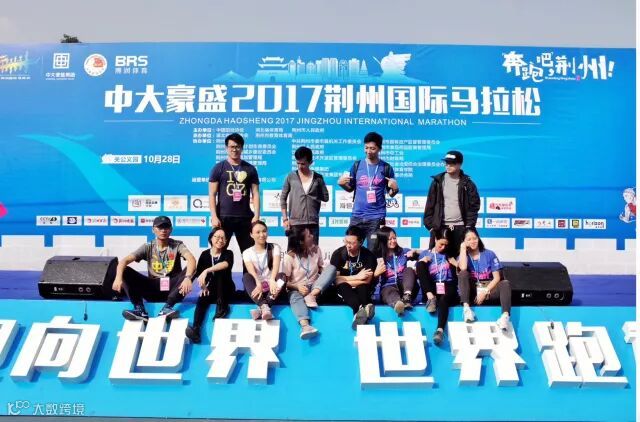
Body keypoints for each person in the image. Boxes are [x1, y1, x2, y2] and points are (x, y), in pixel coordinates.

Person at [112, 216, 196, 321]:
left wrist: (188, 278)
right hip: (153, 289)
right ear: (153, 230)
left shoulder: (177, 245)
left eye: (166, 227)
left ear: (171, 229)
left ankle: (168, 307)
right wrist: (118, 278)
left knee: (193, 268)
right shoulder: (148, 246)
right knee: (124, 270)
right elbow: (124, 261)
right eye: (160, 227)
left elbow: (191, 259)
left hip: (172, 289)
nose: (163, 230)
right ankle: (139, 309)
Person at [338, 132, 399, 250]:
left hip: (376, 218)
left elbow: (391, 193)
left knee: (373, 251)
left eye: (372, 148)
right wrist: (342, 184)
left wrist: (395, 188)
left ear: (379, 149)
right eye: (366, 148)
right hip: (357, 216)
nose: (368, 151)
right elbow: (350, 188)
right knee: (351, 249)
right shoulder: (357, 165)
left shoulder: (386, 168)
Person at [208, 132, 260, 257]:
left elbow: (255, 193)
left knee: (248, 254)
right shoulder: (218, 168)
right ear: (226, 148)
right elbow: (212, 194)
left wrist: (257, 215)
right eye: (231, 146)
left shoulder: (250, 169)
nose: (234, 149)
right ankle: (219, 271)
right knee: (219, 252)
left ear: (242, 148)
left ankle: (248, 272)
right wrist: (214, 216)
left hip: (245, 218)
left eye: (237, 147)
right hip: (223, 218)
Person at [423, 150, 480, 256]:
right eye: (446, 163)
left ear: (460, 164)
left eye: (452, 163)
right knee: (439, 260)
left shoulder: (468, 184)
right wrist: (431, 227)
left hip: (461, 228)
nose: (448, 165)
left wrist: (468, 226)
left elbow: (474, 206)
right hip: (440, 228)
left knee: (462, 259)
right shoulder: (437, 182)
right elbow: (430, 205)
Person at [283, 226, 337, 339]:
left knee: (332, 268)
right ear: (301, 241)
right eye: (309, 236)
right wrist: (297, 287)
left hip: (315, 286)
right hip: (297, 288)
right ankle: (305, 326)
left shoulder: (316, 250)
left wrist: (328, 275)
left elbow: (321, 268)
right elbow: (284, 282)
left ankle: (311, 295)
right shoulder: (289, 257)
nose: (312, 236)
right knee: (294, 296)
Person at [185, 227, 235, 344]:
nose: (220, 240)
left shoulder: (228, 253)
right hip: (212, 289)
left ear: (226, 241)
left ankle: (222, 308)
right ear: (211, 238)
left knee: (220, 273)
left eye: (223, 238)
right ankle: (196, 330)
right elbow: (199, 274)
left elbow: (225, 264)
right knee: (202, 298)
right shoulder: (204, 254)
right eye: (217, 237)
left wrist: (207, 270)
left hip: (226, 289)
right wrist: (203, 287)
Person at [457, 227, 512, 331]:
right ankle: (467, 310)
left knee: (505, 283)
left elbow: (497, 278)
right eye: (469, 239)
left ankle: (505, 317)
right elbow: (463, 268)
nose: (473, 241)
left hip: (488, 289)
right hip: (472, 291)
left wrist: (485, 291)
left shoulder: (489, 254)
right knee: (463, 273)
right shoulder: (463, 255)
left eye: (475, 238)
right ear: (464, 241)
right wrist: (463, 249)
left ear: (478, 238)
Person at [280, 146, 330, 250]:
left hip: (312, 224)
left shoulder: (318, 178)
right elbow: (283, 198)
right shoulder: (291, 177)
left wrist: (313, 195)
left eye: (303, 164)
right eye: (297, 163)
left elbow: (326, 197)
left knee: (313, 254)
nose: (300, 166)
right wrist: (285, 219)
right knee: (292, 254)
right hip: (295, 224)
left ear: (310, 162)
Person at [330, 226, 377, 329]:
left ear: (361, 242)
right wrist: (358, 277)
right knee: (344, 287)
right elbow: (335, 280)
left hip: (362, 289)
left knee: (362, 287)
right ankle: (363, 310)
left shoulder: (368, 256)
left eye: (352, 243)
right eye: (346, 241)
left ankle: (359, 315)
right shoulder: (338, 254)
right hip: (343, 292)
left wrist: (343, 279)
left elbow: (367, 281)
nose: (348, 245)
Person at [415, 235, 459, 345]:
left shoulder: (450, 254)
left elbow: (462, 271)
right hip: (432, 288)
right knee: (420, 264)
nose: (443, 247)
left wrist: (455, 264)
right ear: (435, 240)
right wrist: (422, 261)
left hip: (448, 285)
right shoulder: (425, 253)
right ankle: (431, 298)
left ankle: (439, 330)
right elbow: (418, 273)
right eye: (441, 244)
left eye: (446, 245)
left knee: (443, 300)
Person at [242, 221, 285, 320]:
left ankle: (263, 308)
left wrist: (272, 280)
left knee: (282, 277)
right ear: (251, 235)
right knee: (246, 277)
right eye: (258, 232)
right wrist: (258, 283)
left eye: (264, 231)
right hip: (257, 289)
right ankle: (264, 306)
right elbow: (251, 271)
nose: (262, 235)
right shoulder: (246, 252)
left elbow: (276, 266)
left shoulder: (275, 247)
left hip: (273, 288)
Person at [372, 226, 419, 316]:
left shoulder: (403, 252)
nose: (393, 241)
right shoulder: (376, 257)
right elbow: (371, 281)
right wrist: (376, 274)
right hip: (388, 287)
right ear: (383, 240)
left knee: (409, 270)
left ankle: (406, 298)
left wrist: (415, 252)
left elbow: (425, 256)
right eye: (390, 239)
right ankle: (398, 304)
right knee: (389, 291)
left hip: (406, 288)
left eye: (394, 238)